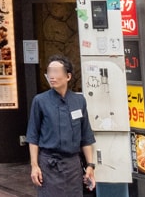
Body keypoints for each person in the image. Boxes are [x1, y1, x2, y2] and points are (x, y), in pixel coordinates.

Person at [26, 55, 96, 197]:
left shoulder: (79, 100)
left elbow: (86, 136)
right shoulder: (40, 101)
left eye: (56, 72)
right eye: (49, 72)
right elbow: (33, 136)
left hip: (73, 166)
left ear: (68, 76)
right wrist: (34, 166)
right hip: (49, 165)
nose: (52, 76)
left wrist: (90, 165)